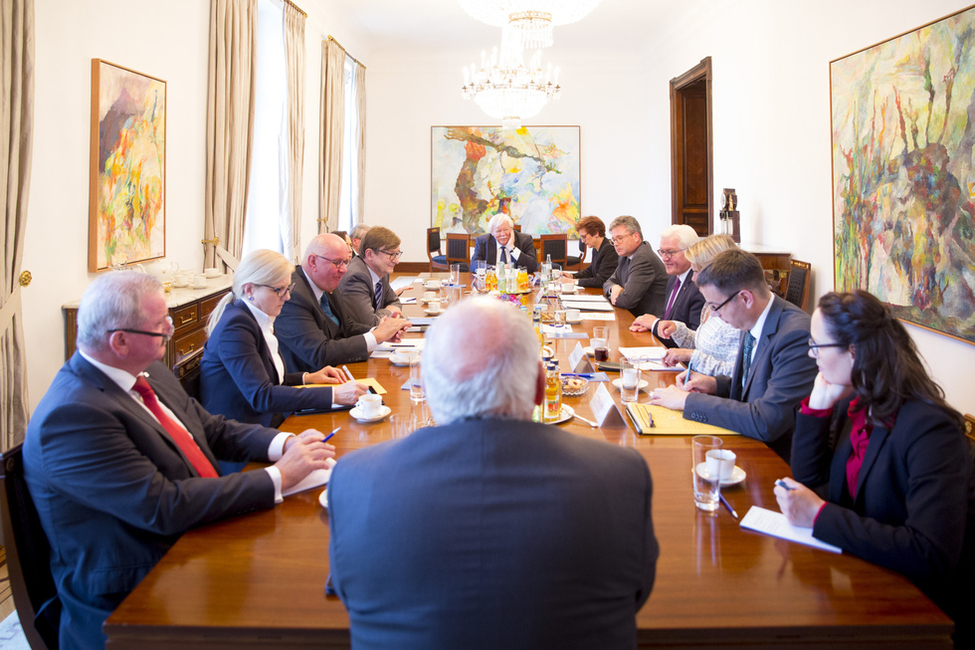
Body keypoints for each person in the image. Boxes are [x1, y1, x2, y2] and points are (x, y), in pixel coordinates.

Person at [22, 271, 336, 649]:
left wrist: (283, 443)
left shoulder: (147, 369)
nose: (170, 330)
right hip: (140, 589)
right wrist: (277, 478)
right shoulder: (73, 415)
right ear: (120, 341)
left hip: (192, 539)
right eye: (160, 325)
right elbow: (162, 506)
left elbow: (212, 429)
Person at [328, 297, 658, 650]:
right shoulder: (622, 475)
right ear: (538, 388)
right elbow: (636, 595)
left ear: (425, 387)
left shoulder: (353, 477)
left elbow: (351, 595)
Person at [774, 290, 974, 647]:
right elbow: (813, 486)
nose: (810, 354)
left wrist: (819, 517)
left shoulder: (930, 430)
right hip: (862, 575)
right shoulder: (858, 403)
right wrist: (816, 409)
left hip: (915, 607)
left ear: (853, 351)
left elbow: (931, 554)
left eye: (817, 346)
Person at [648, 249, 817, 461]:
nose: (715, 316)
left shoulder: (796, 336)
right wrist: (715, 384)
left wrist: (688, 401)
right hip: (745, 442)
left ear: (745, 298)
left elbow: (766, 421)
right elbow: (754, 387)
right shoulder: (751, 318)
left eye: (716, 307)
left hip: (775, 460)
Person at [201, 249, 368, 431]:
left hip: (265, 422)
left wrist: (307, 378)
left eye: (288, 289)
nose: (287, 297)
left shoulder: (256, 317)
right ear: (249, 290)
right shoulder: (236, 327)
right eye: (279, 290)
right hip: (242, 434)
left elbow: (267, 379)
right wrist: (333, 394)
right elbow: (262, 395)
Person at [275, 234, 411, 372]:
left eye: (346, 262)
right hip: (307, 382)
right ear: (313, 262)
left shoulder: (325, 281)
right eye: (337, 262)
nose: (344, 269)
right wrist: (376, 336)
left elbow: (346, 326)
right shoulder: (292, 296)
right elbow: (319, 353)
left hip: (335, 371)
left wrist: (380, 332)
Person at [631, 234, 739, 376]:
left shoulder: (736, 314)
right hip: (695, 380)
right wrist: (678, 330)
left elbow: (737, 374)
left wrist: (692, 356)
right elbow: (704, 344)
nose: (693, 278)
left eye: (696, 271)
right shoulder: (709, 305)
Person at [628, 225, 704, 347]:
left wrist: (655, 324)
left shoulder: (699, 286)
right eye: (662, 252)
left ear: (691, 251)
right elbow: (668, 316)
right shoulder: (674, 276)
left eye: (670, 252)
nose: (664, 258)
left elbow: (694, 339)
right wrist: (648, 324)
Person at [602, 215, 668, 317]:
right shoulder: (625, 256)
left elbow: (627, 301)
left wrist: (616, 294)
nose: (615, 244)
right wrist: (613, 288)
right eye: (614, 240)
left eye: (620, 238)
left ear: (636, 237)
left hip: (651, 323)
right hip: (635, 317)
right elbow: (608, 282)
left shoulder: (643, 258)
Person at [337, 226, 404, 327]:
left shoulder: (382, 272)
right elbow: (369, 323)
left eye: (397, 254)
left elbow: (395, 302)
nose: (396, 261)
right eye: (391, 254)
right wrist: (389, 312)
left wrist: (388, 312)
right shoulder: (355, 277)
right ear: (369, 254)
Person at [560, 215, 618, 288]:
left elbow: (602, 280)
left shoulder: (610, 250)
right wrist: (572, 276)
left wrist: (573, 281)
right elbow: (590, 271)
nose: (583, 241)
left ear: (596, 233)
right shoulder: (596, 248)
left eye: (584, 237)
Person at [471, 213, 539, 273]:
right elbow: (474, 265)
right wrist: (495, 268)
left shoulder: (525, 240)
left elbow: (532, 267)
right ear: (492, 233)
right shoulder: (483, 241)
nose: (503, 234)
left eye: (506, 229)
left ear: (511, 229)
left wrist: (512, 248)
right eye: (498, 231)